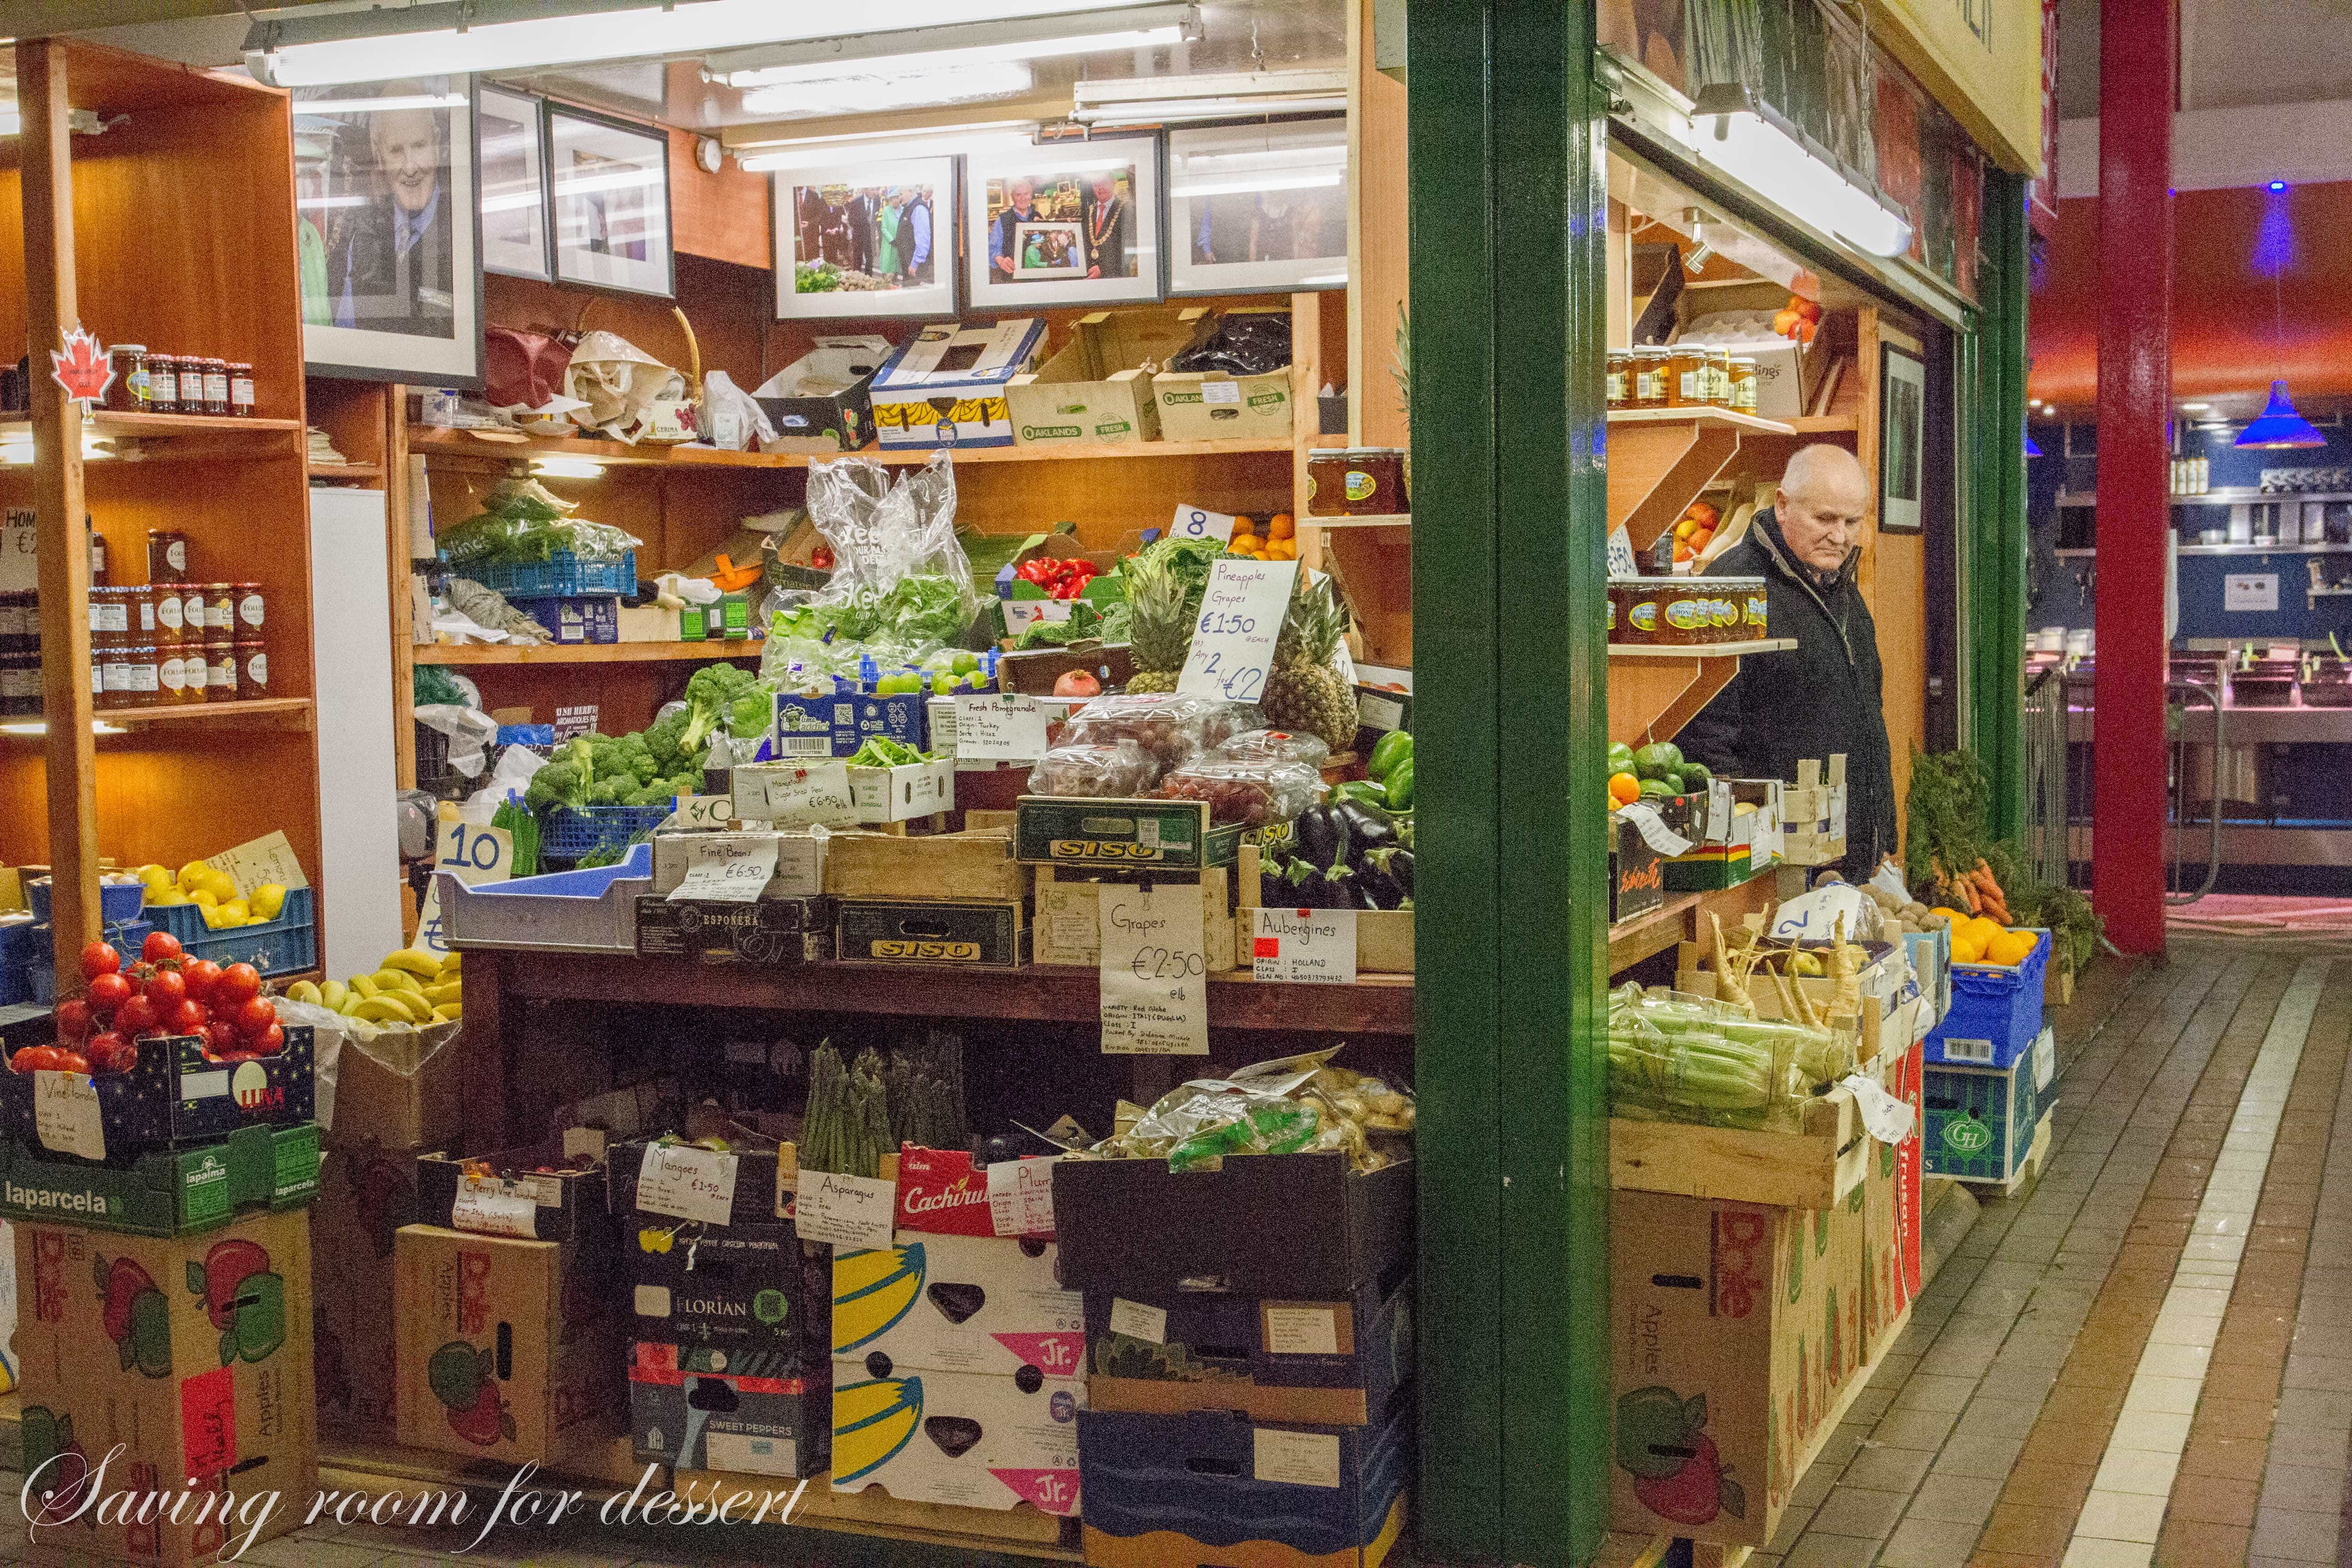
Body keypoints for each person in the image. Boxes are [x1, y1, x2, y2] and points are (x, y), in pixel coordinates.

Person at [1676, 443, 1898, 872]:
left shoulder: (1839, 585)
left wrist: (1880, 832)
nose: (1841, 536)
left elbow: (1868, 712)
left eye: (1853, 521)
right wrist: (1755, 848)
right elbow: (1704, 735)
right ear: (1782, 505)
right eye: (1825, 519)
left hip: (1846, 858)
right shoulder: (1733, 588)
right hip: (1779, 866)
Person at [329, 84, 454, 337]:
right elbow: (345, 333)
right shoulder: (360, 233)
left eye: (419, 146)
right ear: (379, 155)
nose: (410, 167)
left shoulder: (460, 230)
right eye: (396, 151)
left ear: (437, 144)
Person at [1083, 170, 1130, 279]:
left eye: (1103, 183)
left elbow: (1129, 248)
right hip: (1089, 277)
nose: (1100, 189)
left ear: (1113, 183)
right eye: (1096, 185)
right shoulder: (1088, 213)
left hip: (1114, 277)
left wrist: (1104, 268)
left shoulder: (1126, 210)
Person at [990, 178, 1040, 277]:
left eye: (1026, 194)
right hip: (1012, 275)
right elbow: (993, 249)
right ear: (1012, 197)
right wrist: (1001, 261)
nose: (1023, 198)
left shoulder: (1038, 216)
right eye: (1018, 195)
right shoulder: (1002, 220)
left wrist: (1067, 225)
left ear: (1031, 195)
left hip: (1036, 274)